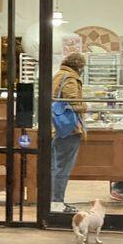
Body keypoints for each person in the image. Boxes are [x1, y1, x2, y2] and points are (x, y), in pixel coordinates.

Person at [51, 52, 87, 213]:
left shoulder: (59, 74)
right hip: (68, 129)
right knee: (63, 167)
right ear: (79, 67)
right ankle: (57, 202)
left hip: (56, 127)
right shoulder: (71, 79)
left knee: (56, 165)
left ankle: (54, 201)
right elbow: (73, 103)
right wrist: (85, 106)